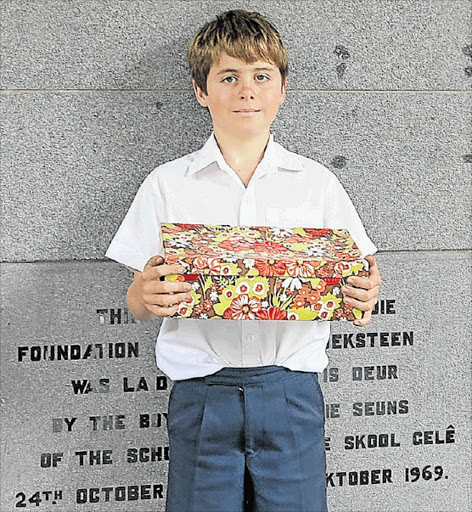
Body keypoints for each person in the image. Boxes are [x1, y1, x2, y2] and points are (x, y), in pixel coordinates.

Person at [106, 9, 381, 512]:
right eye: (228, 77)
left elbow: (361, 273)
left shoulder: (316, 183)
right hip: (202, 394)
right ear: (201, 91)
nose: (246, 90)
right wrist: (144, 296)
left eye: (261, 76)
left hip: (291, 393)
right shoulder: (167, 184)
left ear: (281, 88)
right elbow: (138, 300)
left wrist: (365, 292)